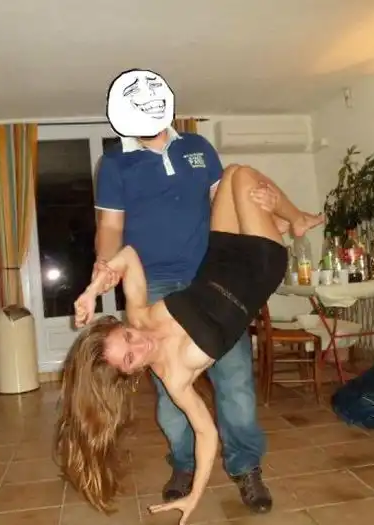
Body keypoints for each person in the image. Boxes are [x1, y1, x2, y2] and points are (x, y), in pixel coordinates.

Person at [57, 164, 324, 524]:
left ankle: (287, 220)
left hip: (219, 257)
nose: (141, 344)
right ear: (131, 373)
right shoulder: (175, 378)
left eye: (128, 337)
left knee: (233, 172)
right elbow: (206, 433)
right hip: (258, 269)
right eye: (131, 358)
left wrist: (93, 290)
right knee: (246, 180)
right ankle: (294, 220)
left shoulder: (140, 316)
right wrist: (194, 496)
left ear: (124, 327)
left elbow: (129, 255)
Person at [92, 68, 283, 513]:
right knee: (170, 392)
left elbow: (226, 203)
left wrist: (270, 206)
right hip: (152, 283)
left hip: (210, 276)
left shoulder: (198, 148)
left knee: (235, 380)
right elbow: (111, 227)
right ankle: (183, 463)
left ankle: (245, 467)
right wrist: (105, 264)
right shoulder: (116, 164)